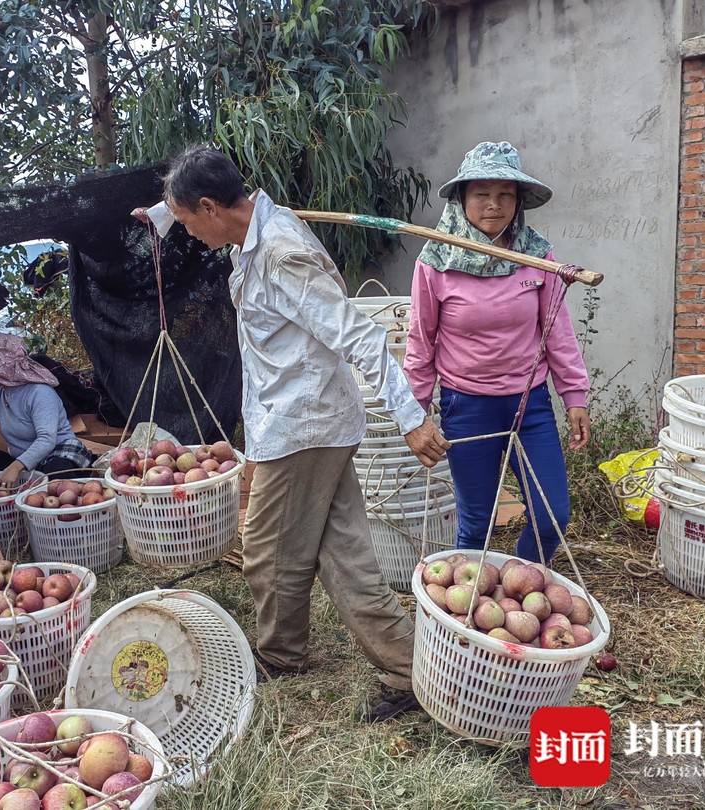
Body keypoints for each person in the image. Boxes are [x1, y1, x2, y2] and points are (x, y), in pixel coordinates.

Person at [136, 145, 450, 722]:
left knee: (265, 550)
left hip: (305, 427)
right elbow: (196, 208)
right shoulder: (252, 227)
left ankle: (282, 654)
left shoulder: (282, 253)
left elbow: (357, 334)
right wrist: (161, 213)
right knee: (344, 557)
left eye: (186, 221)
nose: (189, 234)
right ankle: (413, 669)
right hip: (307, 420)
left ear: (210, 207)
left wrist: (411, 419)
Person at [403, 141, 591, 564]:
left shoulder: (538, 257)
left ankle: (523, 580)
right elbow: (421, 342)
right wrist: (416, 411)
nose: (494, 204)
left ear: (519, 201)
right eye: (482, 193)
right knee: (477, 522)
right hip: (467, 405)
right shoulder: (436, 261)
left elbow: (557, 331)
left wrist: (574, 395)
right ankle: (469, 598)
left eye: (506, 194)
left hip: (530, 404)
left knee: (552, 517)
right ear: (462, 198)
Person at [0, 334, 93, 484]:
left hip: (55, 454)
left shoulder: (40, 393)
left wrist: (15, 468)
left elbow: (46, 440)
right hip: (22, 460)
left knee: (56, 475)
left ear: (4, 371)